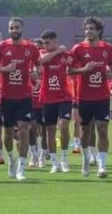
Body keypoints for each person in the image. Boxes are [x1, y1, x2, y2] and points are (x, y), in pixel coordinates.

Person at [0, 17, 40, 181]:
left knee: (24, 129)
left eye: (16, 27)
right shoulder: (1, 47)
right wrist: (4, 69)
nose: (14, 30)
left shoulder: (30, 47)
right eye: (11, 28)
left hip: (24, 96)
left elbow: (38, 65)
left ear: (22, 28)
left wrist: (36, 72)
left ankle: (21, 168)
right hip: (6, 96)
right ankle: (11, 159)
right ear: (8, 29)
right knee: (8, 134)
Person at [68, 17, 112, 178]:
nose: (89, 31)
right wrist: (83, 69)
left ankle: (102, 165)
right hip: (84, 96)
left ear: (99, 31)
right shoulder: (78, 48)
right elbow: (69, 70)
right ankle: (86, 158)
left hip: (102, 96)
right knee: (85, 130)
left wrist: (110, 71)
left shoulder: (107, 48)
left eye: (92, 29)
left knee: (102, 129)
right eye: (87, 28)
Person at [38, 30, 73, 173]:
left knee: (64, 126)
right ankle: (54, 163)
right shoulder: (42, 53)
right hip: (48, 97)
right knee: (50, 130)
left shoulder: (66, 55)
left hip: (64, 96)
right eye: (44, 43)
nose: (46, 46)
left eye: (48, 43)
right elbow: (42, 61)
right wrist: (58, 51)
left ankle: (64, 159)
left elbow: (73, 66)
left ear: (55, 41)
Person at [29, 37, 47, 168]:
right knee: (32, 128)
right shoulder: (27, 62)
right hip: (31, 102)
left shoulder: (46, 61)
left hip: (46, 101)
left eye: (39, 47)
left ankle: (42, 155)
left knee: (46, 130)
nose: (37, 49)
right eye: (34, 47)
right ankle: (33, 155)